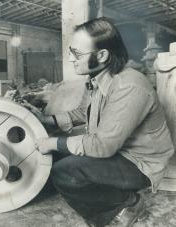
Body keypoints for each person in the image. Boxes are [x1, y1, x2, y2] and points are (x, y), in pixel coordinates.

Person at [33, 17, 174, 227]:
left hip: (139, 163)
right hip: (117, 149)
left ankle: (125, 204)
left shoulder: (129, 87)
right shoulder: (97, 78)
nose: (72, 59)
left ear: (102, 55)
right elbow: (84, 112)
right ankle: (112, 192)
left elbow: (103, 146)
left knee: (63, 172)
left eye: (77, 54)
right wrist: (46, 120)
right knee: (54, 157)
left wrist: (53, 143)